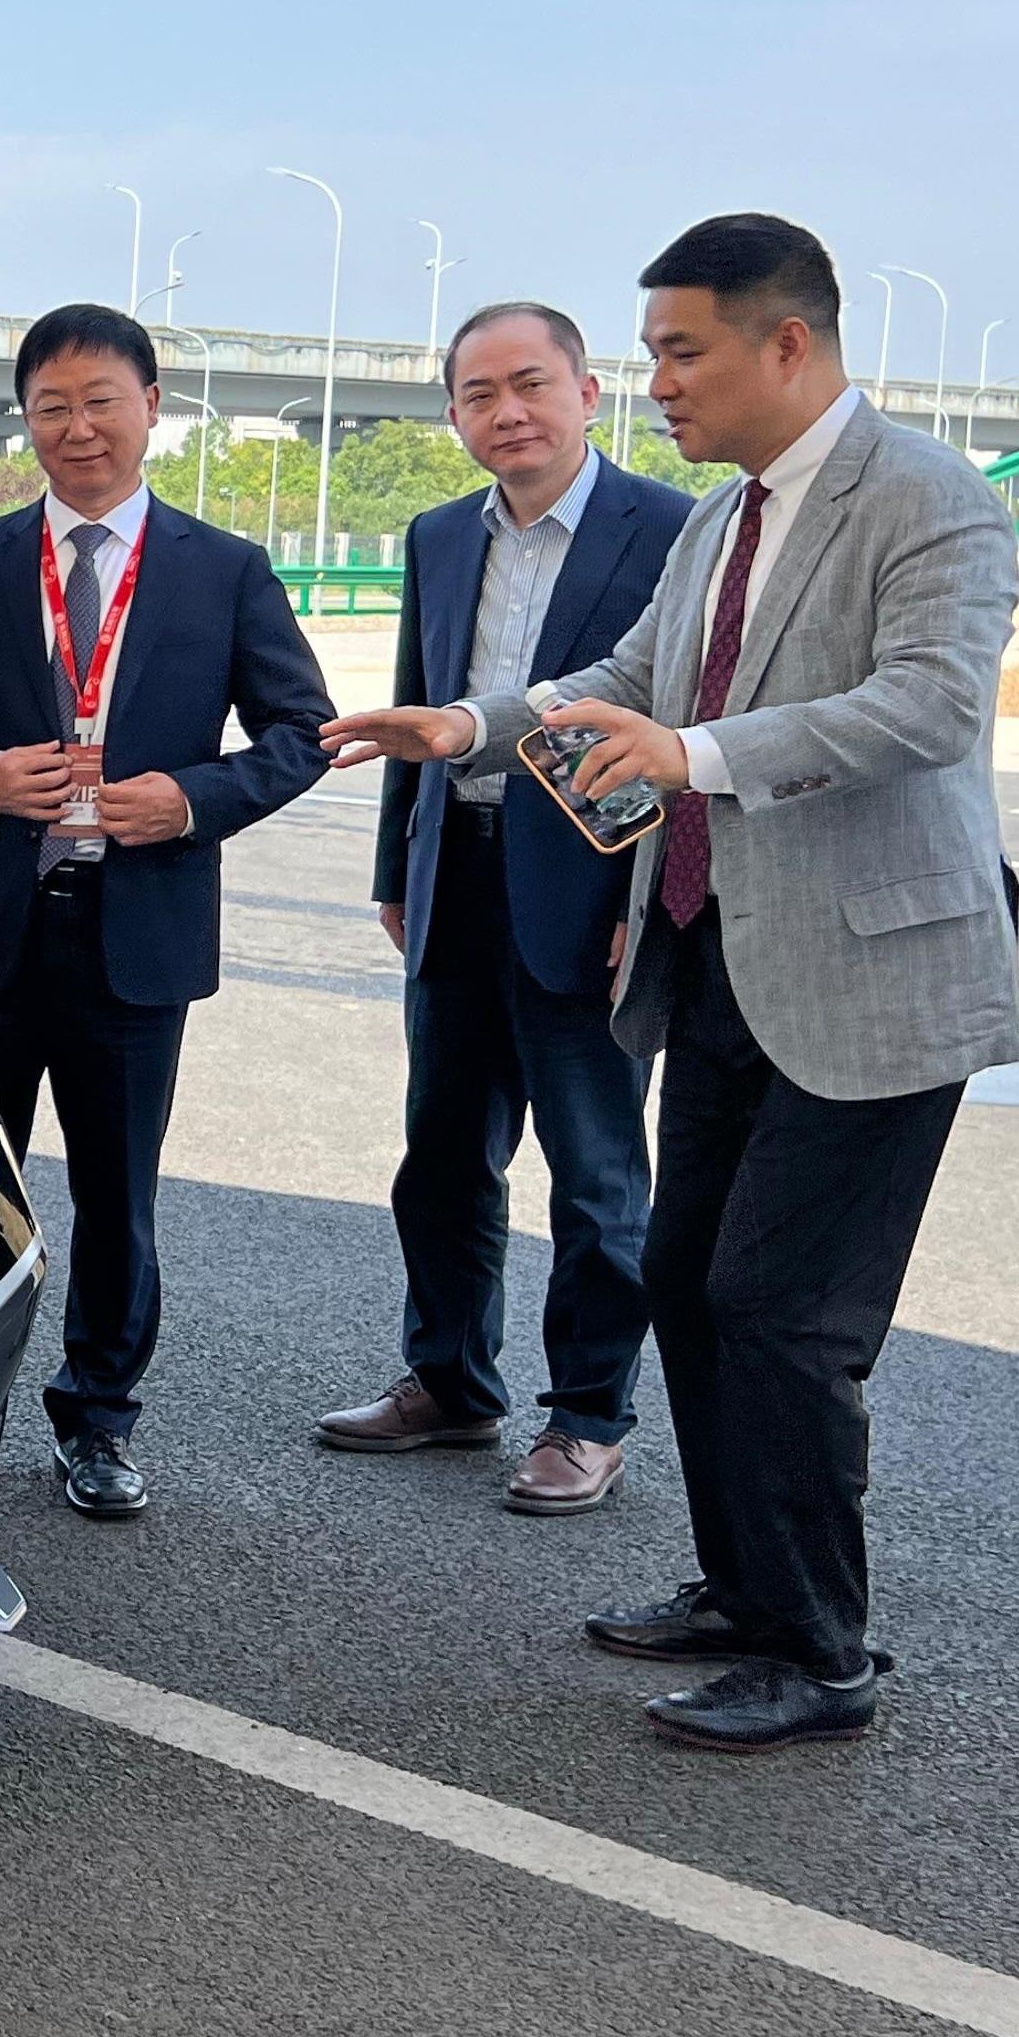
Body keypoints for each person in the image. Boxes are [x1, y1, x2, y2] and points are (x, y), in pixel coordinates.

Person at [323, 213, 1019, 1751]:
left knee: (784, 1312)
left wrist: (692, 760)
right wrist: (469, 727)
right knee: (694, 1289)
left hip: (871, 977)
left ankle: (819, 1650)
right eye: (649, 356)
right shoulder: (722, 521)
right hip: (720, 964)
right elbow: (623, 682)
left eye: (679, 352)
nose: (658, 386)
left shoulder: (928, 496)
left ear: (789, 342)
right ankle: (739, 1586)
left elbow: (925, 703)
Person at [0, 302, 332, 1517]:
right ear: (22, 418)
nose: (77, 428)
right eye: (50, 406)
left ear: (152, 407)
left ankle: (97, 1419)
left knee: (118, 1195)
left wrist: (186, 800)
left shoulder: (223, 568)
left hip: (134, 936)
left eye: (100, 401)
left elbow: (302, 734)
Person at [324, 302, 695, 1514]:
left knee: (594, 1174)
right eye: (478, 394)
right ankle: (449, 1379)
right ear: (453, 415)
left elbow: (679, 731)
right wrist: (397, 865)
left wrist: (651, 896)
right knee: (440, 1155)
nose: (507, 412)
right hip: (455, 874)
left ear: (591, 392)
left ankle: (587, 1414)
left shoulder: (671, 529)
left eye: (530, 384)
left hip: (591, 892)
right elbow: (414, 708)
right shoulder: (439, 535)